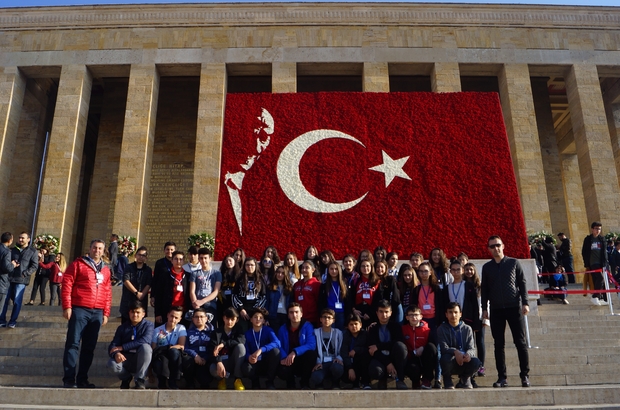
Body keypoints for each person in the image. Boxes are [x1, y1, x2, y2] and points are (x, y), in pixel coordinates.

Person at [61, 239, 112, 388]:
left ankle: (82, 379)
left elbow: (108, 292)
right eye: (95, 248)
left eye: (100, 248)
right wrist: (67, 306)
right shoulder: (78, 264)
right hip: (79, 308)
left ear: (104, 251)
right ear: (90, 249)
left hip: (97, 312)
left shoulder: (106, 270)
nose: (97, 250)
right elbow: (67, 284)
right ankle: (69, 379)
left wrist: (106, 312)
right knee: (73, 344)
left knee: (89, 347)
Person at [481, 235, 530, 388]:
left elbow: (522, 283)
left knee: (520, 343)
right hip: (496, 309)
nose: (495, 248)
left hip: (514, 307)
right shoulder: (487, 267)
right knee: (498, 344)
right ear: (489, 249)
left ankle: (525, 376)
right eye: (492, 246)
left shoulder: (513, 263)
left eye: (498, 245)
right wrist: (484, 308)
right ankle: (502, 377)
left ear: (503, 246)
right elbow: (485, 290)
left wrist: (525, 303)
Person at [107, 301, 154, 389]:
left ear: (143, 314)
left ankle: (139, 380)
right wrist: (116, 353)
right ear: (129, 313)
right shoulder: (122, 328)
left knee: (146, 348)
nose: (135, 315)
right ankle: (126, 378)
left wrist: (123, 347)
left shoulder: (148, 325)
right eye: (132, 312)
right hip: (126, 358)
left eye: (138, 312)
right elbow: (113, 345)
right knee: (111, 364)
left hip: (140, 358)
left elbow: (145, 340)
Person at [437, 302, 480, 389]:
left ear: (460, 314)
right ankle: (447, 378)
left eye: (456, 312)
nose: (453, 315)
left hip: (464, 360)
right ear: (446, 314)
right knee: (445, 358)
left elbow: (471, 347)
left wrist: (468, 354)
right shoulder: (441, 329)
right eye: (450, 312)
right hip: (451, 360)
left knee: (476, 362)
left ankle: (465, 378)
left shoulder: (467, 328)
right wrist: (455, 352)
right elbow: (444, 348)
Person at [0, 231, 39, 328]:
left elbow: (34, 266)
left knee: (17, 301)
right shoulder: (12, 250)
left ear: (28, 240)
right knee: (5, 300)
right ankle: (2, 320)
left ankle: (13, 321)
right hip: (9, 278)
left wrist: (25, 273)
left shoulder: (33, 251)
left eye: (23, 238)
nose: (20, 240)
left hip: (21, 280)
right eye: (19, 238)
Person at [367, 300, 408, 390]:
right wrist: (388, 363)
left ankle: (400, 380)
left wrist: (379, 346)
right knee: (375, 370)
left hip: (394, 357)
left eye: (386, 312)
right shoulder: (373, 329)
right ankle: (382, 379)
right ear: (377, 313)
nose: (384, 315)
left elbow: (398, 342)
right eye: (381, 312)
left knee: (400, 347)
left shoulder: (396, 326)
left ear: (391, 313)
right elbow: (372, 350)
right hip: (380, 358)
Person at [276, 302, 316, 389]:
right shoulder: (282, 328)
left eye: (297, 312)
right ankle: (290, 384)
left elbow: (311, 345)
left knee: (311, 354)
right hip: (288, 360)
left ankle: (304, 383)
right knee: (281, 371)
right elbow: (278, 345)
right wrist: (283, 357)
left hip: (302, 359)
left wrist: (295, 352)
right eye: (291, 312)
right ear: (288, 315)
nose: (294, 315)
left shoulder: (308, 326)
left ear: (301, 314)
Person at [242, 307, 281, 390]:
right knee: (246, 368)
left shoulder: (268, 330)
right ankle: (255, 382)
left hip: (266, 363)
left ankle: (270, 381)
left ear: (264, 321)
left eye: (261, 318)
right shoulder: (247, 333)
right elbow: (245, 349)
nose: (258, 319)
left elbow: (277, 343)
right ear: (251, 319)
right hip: (254, 363)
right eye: (255, 317)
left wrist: (261, 350)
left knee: (276, 352)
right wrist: (249, 357)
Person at [209, 307, 246, 390]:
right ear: (223, 318)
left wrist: (223, 344)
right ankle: (222, 380)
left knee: (241, 347)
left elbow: (241, 340)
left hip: (234, 361)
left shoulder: (239, 330)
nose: (229, 322)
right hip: (222, 361)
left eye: (232, 319)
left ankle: (237, 379)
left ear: (237, 320)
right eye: (227, 318)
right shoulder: (216, 332)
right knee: (212, 368)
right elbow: (212, 349)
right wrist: (218, 361)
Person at [402, 305, 437, 389]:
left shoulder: (427, 330)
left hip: (425, 358)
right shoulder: (403, 330)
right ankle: (416, 381)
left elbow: (432, 347)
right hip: (411, 357)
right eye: (411, 315)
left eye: (416, 315)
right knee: (412, 368)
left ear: (421, 316)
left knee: (431, 347)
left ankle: (427, 380)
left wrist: (423, 348)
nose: (414, 317)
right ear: (407, 317)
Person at [151, 305, 186, 389]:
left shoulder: (181, 328)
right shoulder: (157, 330)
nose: (173, 319)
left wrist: (170, 348)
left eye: (176, 318)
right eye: (172, 316)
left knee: (173, 352)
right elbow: (153, 348)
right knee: (161, 359)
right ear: (167, 315)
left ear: (180, 319)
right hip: (161, 355)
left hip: (174, 354)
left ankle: (172, 380)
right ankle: (162, 381)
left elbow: (181, 346)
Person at [153, 251, 190, 326]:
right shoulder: (164, 276)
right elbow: (159, 295)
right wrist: (158, 313)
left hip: (183, 311)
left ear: (184, 261)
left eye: (181, 259)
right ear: (171, 260)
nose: (178, 261)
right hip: (167, 311)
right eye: (176, 259)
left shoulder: (188, 276)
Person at [463, 262, 486, 378]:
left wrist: (485, 318)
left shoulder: (480, 285)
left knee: (480, 342)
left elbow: (485, 302)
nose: (469, 272)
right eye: (466, 269)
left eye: (471, 269)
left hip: (480, 317)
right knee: (469, 343)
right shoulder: (463, 285)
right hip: (467, 317)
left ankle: (481, 366)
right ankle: (471, 365)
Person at [311, 308, 344, 389]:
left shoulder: (338, 333)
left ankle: (335, 383)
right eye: (324, 317)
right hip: (321, 363)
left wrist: (339, 358)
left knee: (337, 368)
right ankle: (319, 384)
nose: (326, 319)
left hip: (334, 361)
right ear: (320, 319)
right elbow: (313, 350)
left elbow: (342, 349)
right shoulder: (315, 332)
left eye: (329, 317)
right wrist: (317, 362)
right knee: (316, 377)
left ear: (333, 320)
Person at [232, 257, 267, 333]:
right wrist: (241, 309)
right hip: (243, 310)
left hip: (256, 309)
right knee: (242, 331)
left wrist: (256, 309)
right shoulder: (240, 279)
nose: (249, 267)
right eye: (247, 265)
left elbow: (263, 296)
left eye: (252, 265)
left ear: (255, 266)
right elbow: (234, 295)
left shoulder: (260, 279)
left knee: (255, 331)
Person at [182, 307, 215, 389]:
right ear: (192, 319)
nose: (199, 319)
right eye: (196, 317)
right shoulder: (187, 332)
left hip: (206, 360)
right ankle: (190, 383)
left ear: (206, 318)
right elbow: (185, 347)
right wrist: (195, 355)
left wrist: (205, 358)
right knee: (186, 360)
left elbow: (213, 348)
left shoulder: (213, 333)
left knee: (204, 380)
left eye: (201, 317)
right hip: (193, 358)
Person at [119, 246, 152, 323]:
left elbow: (149, 283)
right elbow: (126, 280)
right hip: (128, 300)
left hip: (141, 301)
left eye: (143, 255)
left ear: (146, 258)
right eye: (139, 255)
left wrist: (142, 294)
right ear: (135, 255)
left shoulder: (148, 270)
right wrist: (136, 293)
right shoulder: (129, 267)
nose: (141, 257)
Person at [581, 222, 609, 306]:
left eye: (599, 229)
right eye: (596, 228)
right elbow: (584, 251)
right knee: (600, 278)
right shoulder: (588, 239)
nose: (598, 230)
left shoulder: (602, 239)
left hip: (602, 263)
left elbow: (604, 252)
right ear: (592, 229)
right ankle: (595, 296)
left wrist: (605, 263)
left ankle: (603, 298)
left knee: (601, 280)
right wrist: (586, 263)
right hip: (593, 263)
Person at [189, 248, 222, 318]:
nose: (203, 260)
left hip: (210, 305)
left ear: (210, 259)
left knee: (210, 327)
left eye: (205, 258)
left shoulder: (217, 273)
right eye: (201, 258)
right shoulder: (195, 273)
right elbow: (192, 291)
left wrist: (203, 301)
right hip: (197, 305)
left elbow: (216, 291)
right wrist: (196, 304)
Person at [340, 313, 370, 389]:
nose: (354, 326)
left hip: (363, 362)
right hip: (349, 363)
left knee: (362, 356)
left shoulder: (366, 335)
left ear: (360, 324)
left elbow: (368, 349)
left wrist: (356, 350)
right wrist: (350, 368)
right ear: (347, 326)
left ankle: (365, 383)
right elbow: (343, 352)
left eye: (356, 324)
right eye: (351, 324)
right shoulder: (345, 336)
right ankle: (355, 384)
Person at [349, 259, 380, 328]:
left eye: (367, 266)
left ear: (371, 267)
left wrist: (370, 313)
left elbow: (378, 299)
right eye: (363, 266)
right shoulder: (355, 281)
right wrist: (354, 310)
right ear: (359, 268)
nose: (365, 268)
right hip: (358, 311)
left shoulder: (377, 281)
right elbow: (351, 297)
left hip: (372, 311)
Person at [151, 241, 176, 323]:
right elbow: (155, 280)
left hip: (174, 296)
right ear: (164, 250)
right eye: (167, 249)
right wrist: (152, 296)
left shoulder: (177, 262)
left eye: (172, 250)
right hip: (160, 295)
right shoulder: (159, 263)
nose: (169, 251)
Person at [318, 261, 347, 330]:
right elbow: (320, 301)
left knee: (341, 334)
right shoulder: (324, 285)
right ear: (328, 271)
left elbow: (348, 300)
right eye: (331, 269)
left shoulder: (344, 284)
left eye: (336, 269)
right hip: (328, 314)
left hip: (341, 313)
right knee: (330, 333)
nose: (334, 271)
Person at [292, 260, 321, 326]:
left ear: (313, 269)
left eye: (307, 268)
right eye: (303, 268)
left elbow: (319, 302)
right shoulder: (297, 284)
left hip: (312, 320)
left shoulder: (316, 284)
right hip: (298, 318)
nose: (304, 270)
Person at [266, 265, 292, 334]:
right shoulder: (270, 287)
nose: (280, 275)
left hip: (286, 316)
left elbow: (291, 303)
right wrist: (266, 318)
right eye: (278, 272)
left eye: (283, 273)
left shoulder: (289, 288)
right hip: (273, 316)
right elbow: (267, 303)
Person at [0, 233, 15, 314]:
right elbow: (7, 268)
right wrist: (13, 264)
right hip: (1, 283)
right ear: (10, 240)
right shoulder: (6, 251)